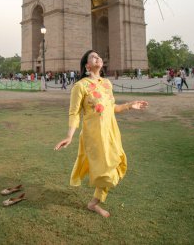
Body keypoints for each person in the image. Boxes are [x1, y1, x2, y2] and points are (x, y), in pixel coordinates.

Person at [54, 50, 148, 218]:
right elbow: (74, 113)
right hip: (94, 135)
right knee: (107, 172)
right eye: (93, 57)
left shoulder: (106, 83)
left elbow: (112, 108)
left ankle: (93, 203)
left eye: (99, 56)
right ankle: (95, 203)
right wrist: (69, 136)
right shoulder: (80, 86)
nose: (98, 58)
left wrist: (129, 105)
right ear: (87, 65)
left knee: (116, 164)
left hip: (111, 132)